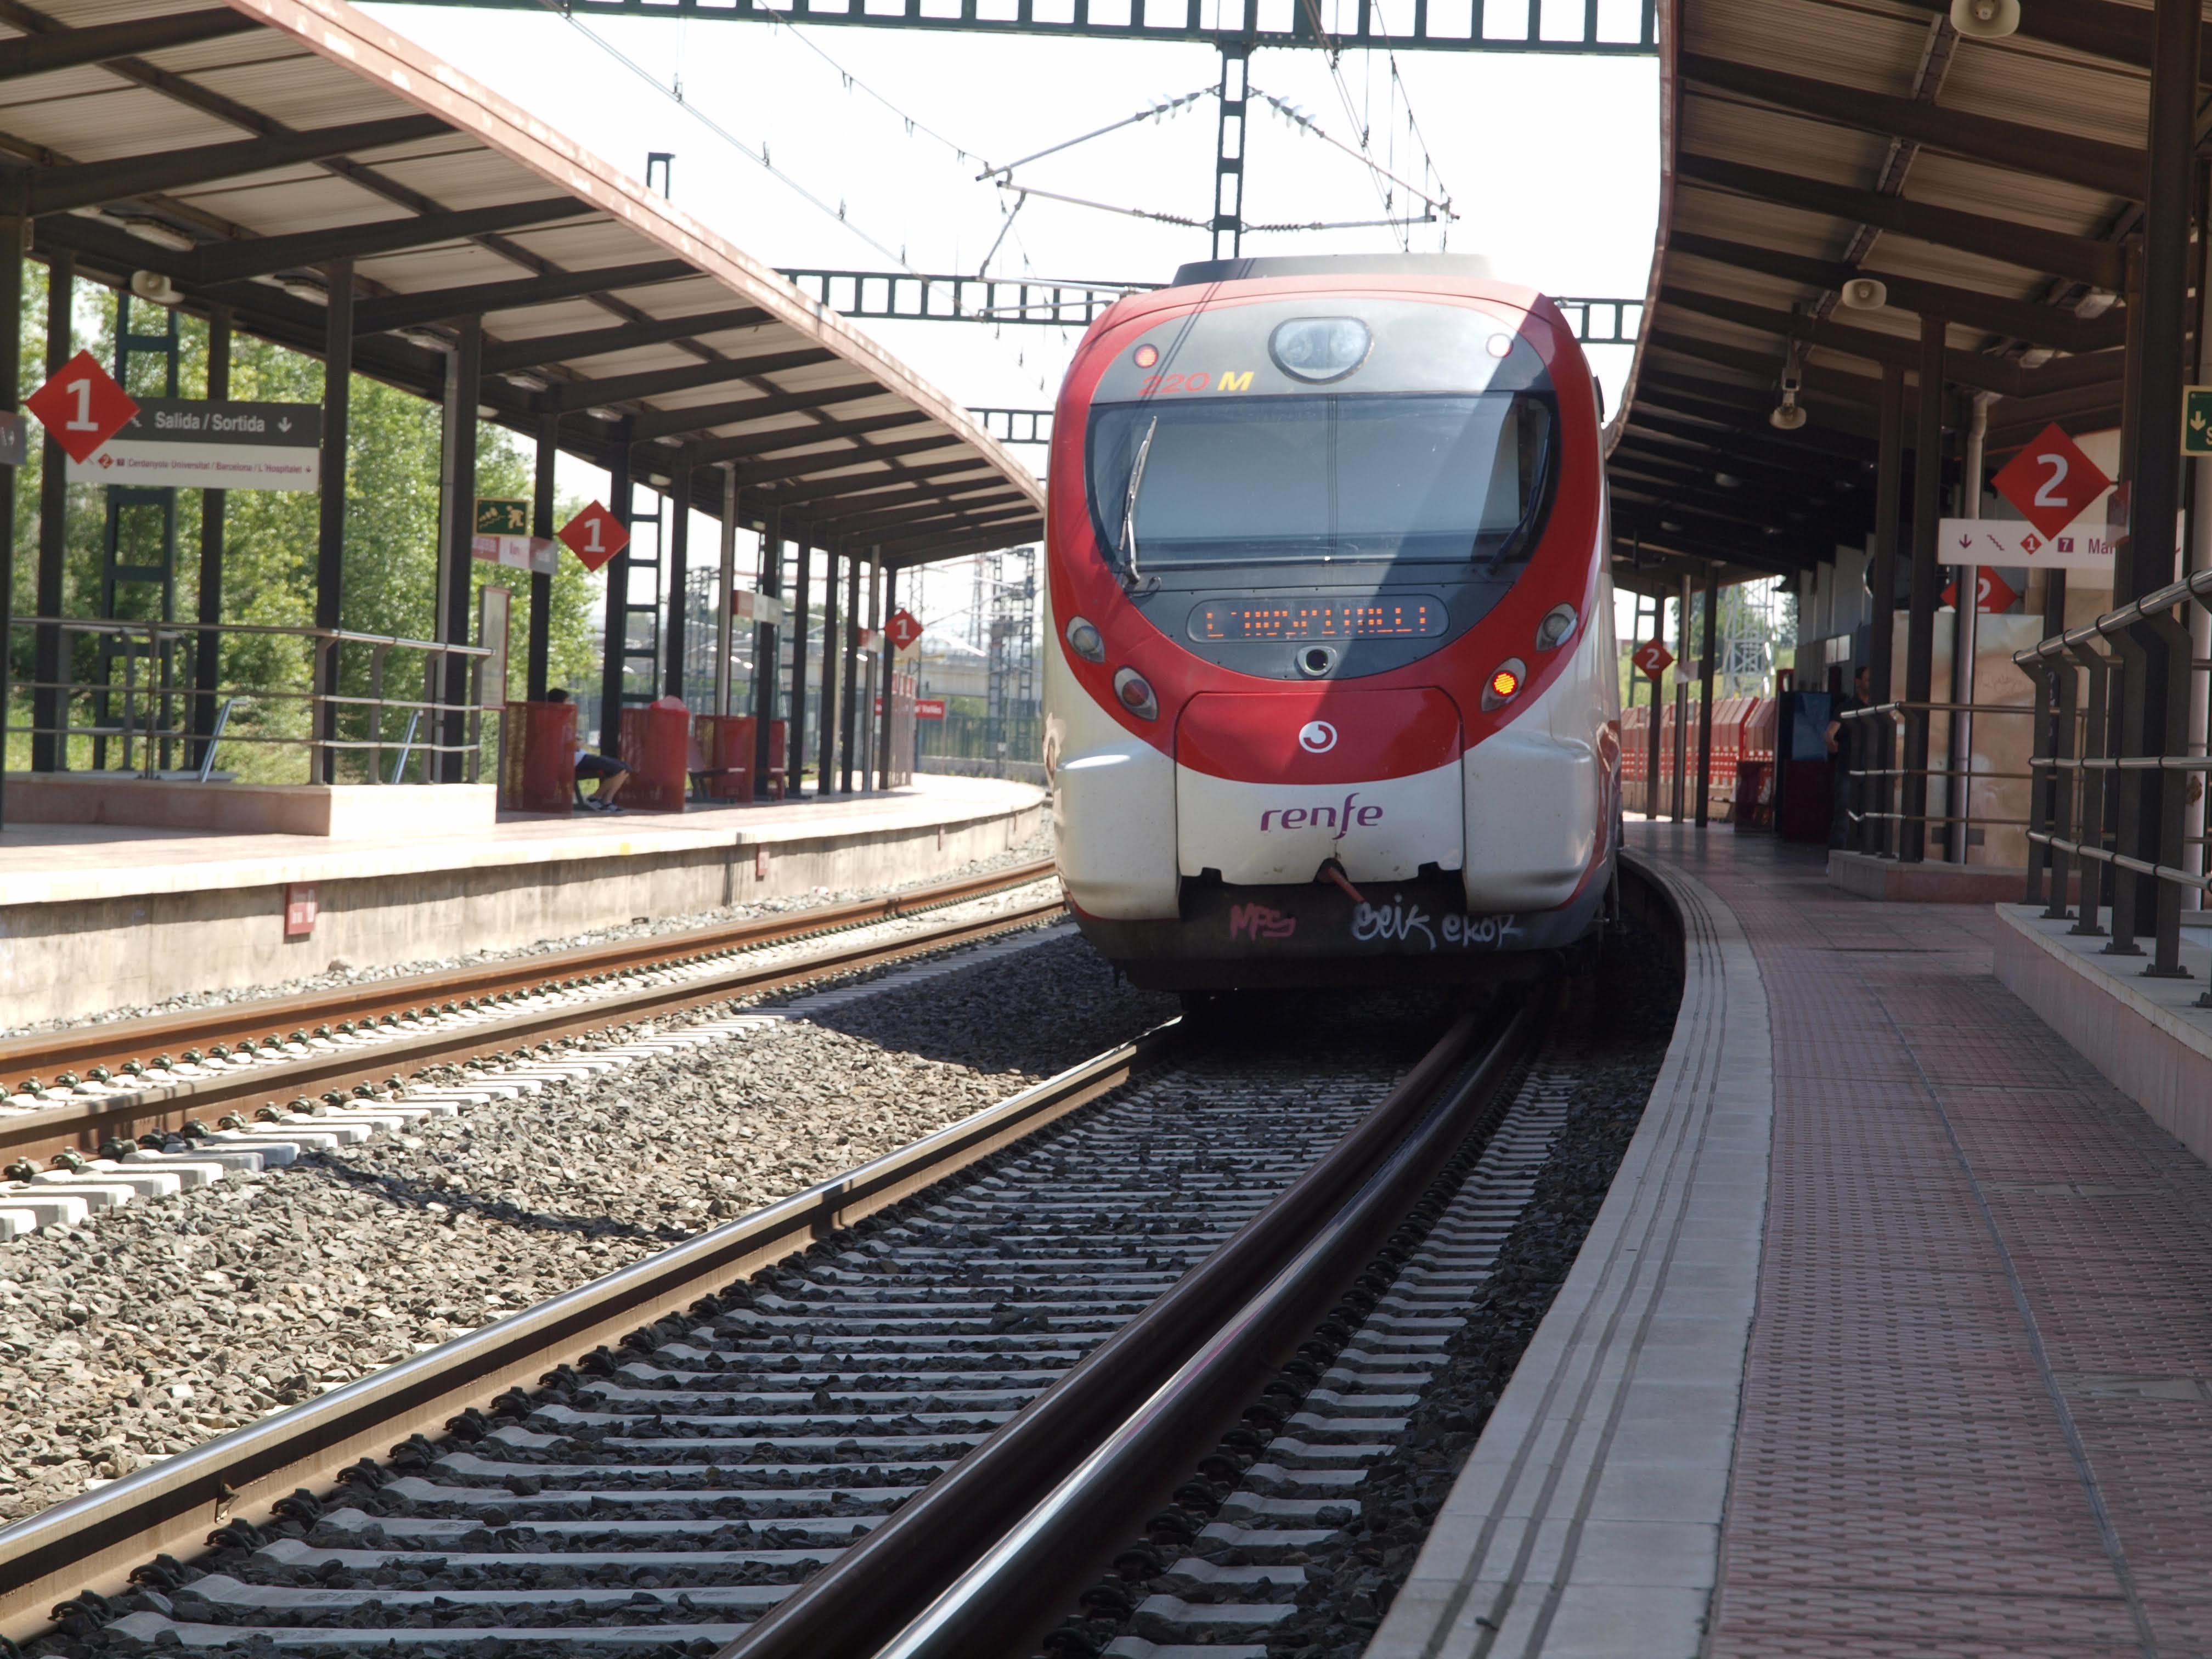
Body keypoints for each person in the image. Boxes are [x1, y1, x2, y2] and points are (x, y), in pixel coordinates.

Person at [546, 689, 629, 812]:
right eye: (567, 701)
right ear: (561, 702)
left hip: (580, 756)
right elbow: (573, 746)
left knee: (625, 769)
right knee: (619, 768)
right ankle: (594, 798)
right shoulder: (556, 720)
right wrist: (578, 743)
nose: (570, 703)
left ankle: (607, 801)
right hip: (574, 760)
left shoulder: (564, 719)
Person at [1826, 665, 1871, 849]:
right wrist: (1831, 743)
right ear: (1858, 683)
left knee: (1869, 817)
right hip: (1848, 769)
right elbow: (1830, 733)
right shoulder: (1847, 708)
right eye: (1868, 680)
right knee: (1843, 819)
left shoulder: (1879, 707)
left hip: (1871, 770)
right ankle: (1835, 859)